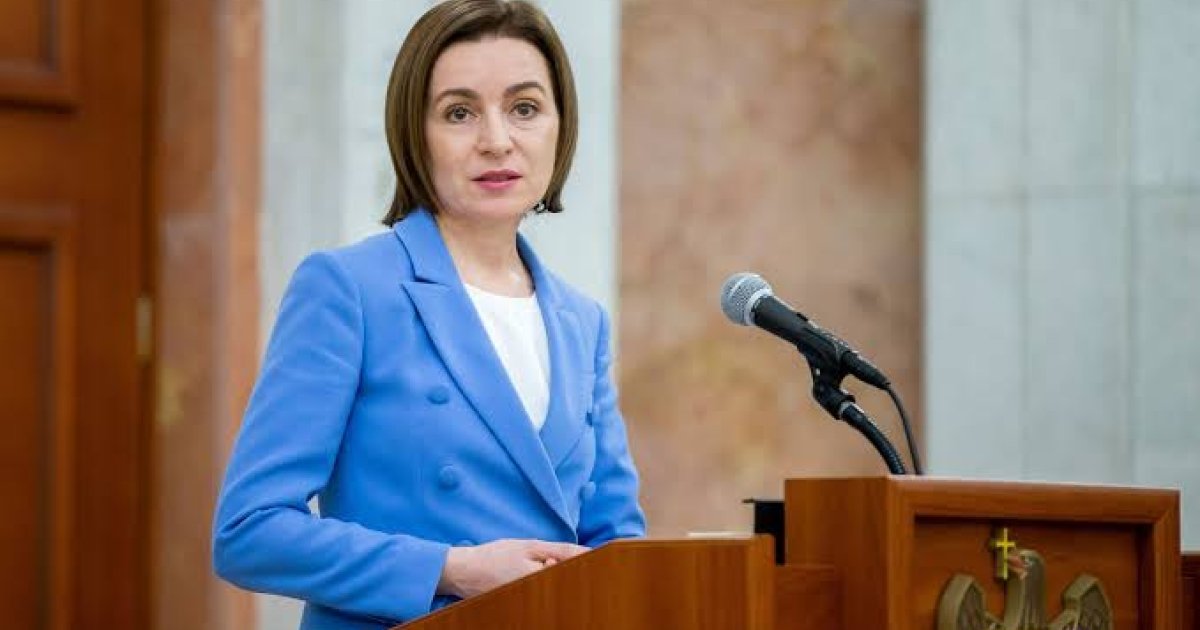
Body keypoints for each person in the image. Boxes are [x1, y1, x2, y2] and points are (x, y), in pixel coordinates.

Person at [211, 1, 646, 628]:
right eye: (459, 112)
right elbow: (249, 531)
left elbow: (617, 546)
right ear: (415, 134)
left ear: (561, 125)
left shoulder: (583, 322)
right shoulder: (349, 289)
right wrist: (452, 568)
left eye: (524, 108)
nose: (497, 140)